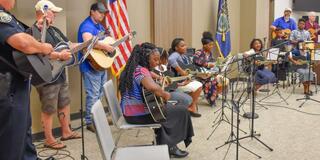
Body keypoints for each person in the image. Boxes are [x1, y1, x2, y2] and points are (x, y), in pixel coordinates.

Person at [0, 0, 68, 159]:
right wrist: (43, 47)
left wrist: (35, 30)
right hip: (7, 89)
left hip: (17, 85)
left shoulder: (8, 16)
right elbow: (22, 43)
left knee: (24, 135)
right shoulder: (1, 16)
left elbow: (21, 40)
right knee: (12, 141)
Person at [119, 42, 194, 158]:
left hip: (129, 112)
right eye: (155, 59)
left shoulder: (134, 68)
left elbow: (150, 75)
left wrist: (159, 78)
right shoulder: (141, 71)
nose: (158, 62)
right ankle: (170, 145)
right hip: (138, 115)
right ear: (145, 58)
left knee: (162, 111)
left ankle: (167, 145)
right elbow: (152, 87)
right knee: (181, 110)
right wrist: (165, 95)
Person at [30, 0, 81, 149]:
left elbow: (68, 44)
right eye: (53, 13)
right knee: (49, 107)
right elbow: (39, 53)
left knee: (64, 102)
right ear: (43, 12)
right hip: (46, 76)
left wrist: (88, 44)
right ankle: (49, 138)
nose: (56, 16)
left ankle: (66, 131)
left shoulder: (55, 30)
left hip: (60, 73)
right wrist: (59, 56)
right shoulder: (35, 31)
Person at [78, 2, 115, 133]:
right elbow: (88, 41)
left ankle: (98, 117)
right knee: (93, 95)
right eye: (100, 12)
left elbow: (102, 41)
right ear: (92, 11)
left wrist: (107, 39)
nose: (102, 15)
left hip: (100, 65)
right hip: (90, 66)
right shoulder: (86, 25)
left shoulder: (98, 26)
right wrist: (105, 46)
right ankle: (90, 121)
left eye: (104, 13)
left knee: (99, 94)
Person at [168, 38, 203, 117]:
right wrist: (181, 71)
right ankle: (191, 107)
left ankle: (189, 107)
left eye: (185, 45)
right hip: (176, 83)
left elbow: (188, 70)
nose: (185, 47)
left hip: (183, 81)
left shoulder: (184, 56)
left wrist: (189, 77)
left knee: (197, 85)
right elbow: (171, 59)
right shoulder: (175, 54)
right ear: (176, 48)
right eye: (182, 46)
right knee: (199, 86)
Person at [193, 32, 219, 107]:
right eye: (210, 45)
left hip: (207, 73)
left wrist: (216, 64)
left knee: (217, 79)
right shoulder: (199, 52)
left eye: (212, 45)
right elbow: (195, 60)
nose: (211, 46)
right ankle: (211, 99)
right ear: (204, 45)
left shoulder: (210, 54)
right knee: (211, 81)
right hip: (199, 74)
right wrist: (207, 64)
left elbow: (213, 62)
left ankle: (213, 97)